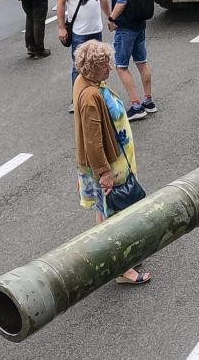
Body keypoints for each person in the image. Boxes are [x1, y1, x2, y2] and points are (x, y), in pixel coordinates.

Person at [72, 39, 151, 285]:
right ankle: (122, 268)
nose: (110, 68)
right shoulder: (91, 96)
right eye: (105, 64)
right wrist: (104, 173)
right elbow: (94, 141)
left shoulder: (87, 82)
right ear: (94, 68)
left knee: (104, 212)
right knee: (117, 217)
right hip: (109, 167)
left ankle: (108, 259)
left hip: (109, 163)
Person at [105, 0, 157, 121]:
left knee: (121, 66)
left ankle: (136, 105)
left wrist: (112, 18)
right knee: (142, 62)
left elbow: (121, 0)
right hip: (140, 23)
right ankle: (148, 101)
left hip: (126, 26)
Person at [58, 0, 110, 105]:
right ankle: (78, 100)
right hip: (79, 31)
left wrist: (110, 17)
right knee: (78, 66)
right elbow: (60, 4)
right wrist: (61, 27)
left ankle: (98, 95)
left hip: (96, 28)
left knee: (99, 64)